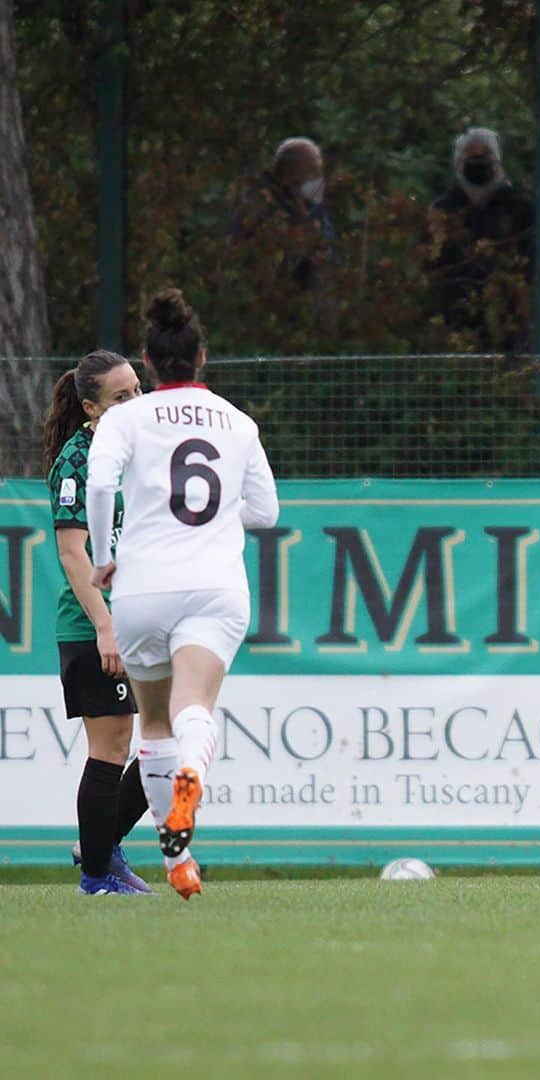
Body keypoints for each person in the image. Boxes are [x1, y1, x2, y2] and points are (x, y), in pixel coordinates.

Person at [86, 288, 279, 900]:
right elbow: (267, 512)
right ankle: (191, 790)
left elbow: (98, 483)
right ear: (201, 358)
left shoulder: (124, 417)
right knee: (197, 708)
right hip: (216, 586)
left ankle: (178, 860)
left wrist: (103, 557)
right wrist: (220, 520)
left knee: (157, 723)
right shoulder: (239, 422)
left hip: (143, 587)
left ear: (147, 361)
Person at [43, 351, 151, 896]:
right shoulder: (77, 459)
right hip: (94, 627)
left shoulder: (139, 456)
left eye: (138, 390)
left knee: (170, 739)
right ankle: (98, 875)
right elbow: (72, 553)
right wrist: (106, 627)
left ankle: (99, 845)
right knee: (111, 747)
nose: (135, 402)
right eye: (121, 396)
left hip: (141, 618)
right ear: (90, 408)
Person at [427, 126, 534, 351]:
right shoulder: (443, 209)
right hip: (454, 315)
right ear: (458, 161)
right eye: (470, 153)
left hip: (509, 318)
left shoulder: (519, 207)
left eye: (484, 153)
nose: (477, 159)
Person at [230, 136, 338, 292]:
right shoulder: (259, 202)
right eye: (312, 171)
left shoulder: (311, 206)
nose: (317, 179)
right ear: (289, 170)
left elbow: (330, 249)